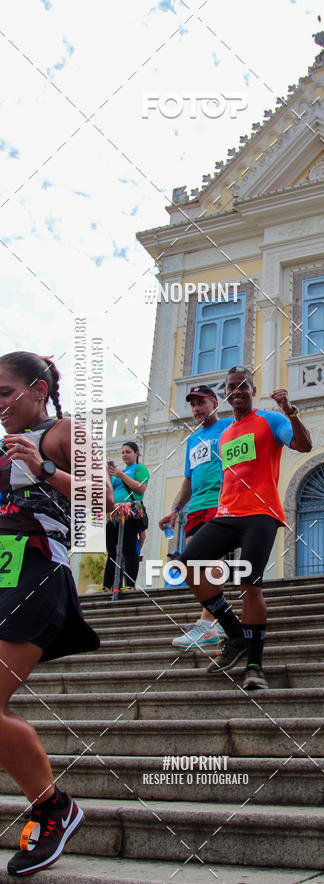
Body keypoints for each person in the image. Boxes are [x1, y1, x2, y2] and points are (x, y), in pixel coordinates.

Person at [0, 351, 114, 876]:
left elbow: (105, 500)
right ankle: (52, 807)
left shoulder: (62, 431)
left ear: (38, 390)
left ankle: (53, 808)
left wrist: (44, 465)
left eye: (5, 392)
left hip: (39, 574)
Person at [178, 366, 311, 691]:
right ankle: (234, 632)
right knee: (188, 565)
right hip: (226, 515)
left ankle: (255, 666)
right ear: (226, 394)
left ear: (253, 389)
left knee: (249, 585)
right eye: (231, 387)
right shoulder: (224, 435)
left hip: (261, 514)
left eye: (242, 386)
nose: (236, 391)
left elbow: (304, 445)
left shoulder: (270, 419)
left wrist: (290, 411)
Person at [158, 385, 232, 648]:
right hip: (196, 507)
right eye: (193, 405)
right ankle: (220, 621)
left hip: (221, 502)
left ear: (214, 402)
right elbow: (188, 482)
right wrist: (175, 510)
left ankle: (206, 623)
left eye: (201, 403)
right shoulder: (192, 440)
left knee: (212, 560)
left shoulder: (230, 426)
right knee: (191, 566)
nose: (196, 409)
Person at [102, 441, 149, 593]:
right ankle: (107, 585)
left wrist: (122, 475)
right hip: (114, 513)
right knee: (112, 550)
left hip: (129, 512)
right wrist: (109, 475)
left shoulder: (139, 468)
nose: (124, 455)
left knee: (129, 548)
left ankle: (129, 584)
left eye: (128, 452)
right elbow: (109, 490)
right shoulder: (118, 473)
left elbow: (140, 487)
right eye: (122, 452)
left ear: (137, 453)